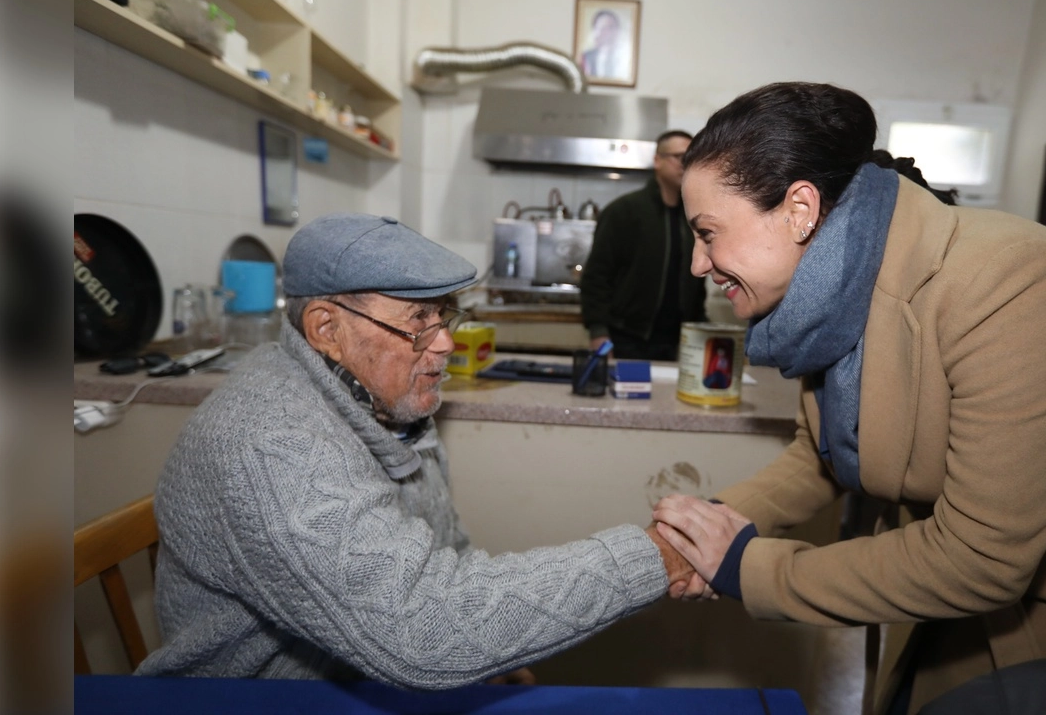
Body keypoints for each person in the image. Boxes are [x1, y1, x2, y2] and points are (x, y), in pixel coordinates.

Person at [649, 82, 1046, 715]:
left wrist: (749, 567)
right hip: (942, 601)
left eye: (708, 233)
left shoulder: (1014, 283)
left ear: (800, 208)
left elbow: (980, 556)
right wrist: (708, 527)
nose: (699, 263)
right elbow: (823, 455)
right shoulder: (827, 297)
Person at [136, 213, 693, 686]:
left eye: (444, 315)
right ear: (326, 328)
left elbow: (441, 560)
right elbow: (423, 629)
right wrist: (653, 556)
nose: (446, 343)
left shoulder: (385, 404)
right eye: (418, 321)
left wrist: (491, 659)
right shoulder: (271, 443)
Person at [580, 131, 707, 360]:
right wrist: (598, 331)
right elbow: (596, 276)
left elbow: (697, 283)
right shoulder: (624, 212)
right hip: (626, 339)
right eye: (679, 157)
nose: (686, 164)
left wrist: (699, 330)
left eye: (692, 158)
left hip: (677, 342)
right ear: (657, 161)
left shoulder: (693, 219)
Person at [579, 9, 626, 81]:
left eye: (610, 27)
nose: (607, 32)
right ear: (595, 31)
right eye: (602, 28)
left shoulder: (625, 58)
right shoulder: (586, 57)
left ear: (617, 31)